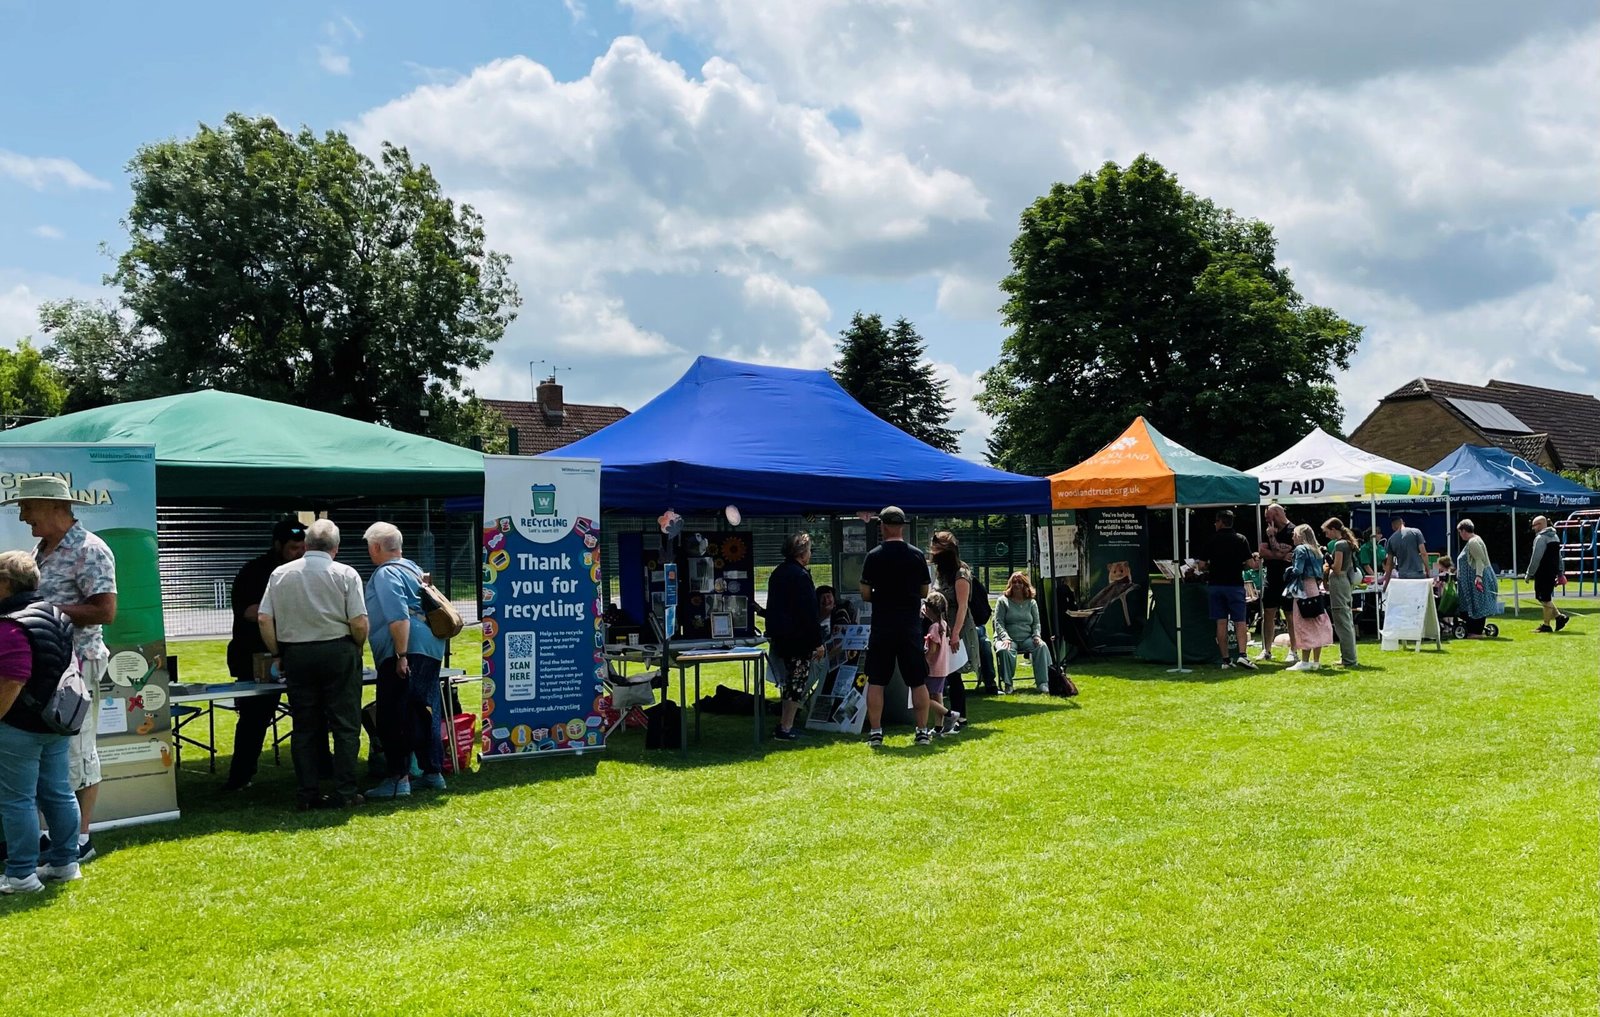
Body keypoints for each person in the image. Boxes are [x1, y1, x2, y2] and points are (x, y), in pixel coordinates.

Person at [3, 475, 115, 862]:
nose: (21, 515)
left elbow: (105, 610)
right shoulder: (41, 550)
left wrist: (42, 615)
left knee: (78, 751)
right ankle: (60, 838)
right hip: (45, 665)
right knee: (52, 755)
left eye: (27, 507)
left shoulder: (90, 549)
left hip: (77, 665)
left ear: (56, 508)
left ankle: (81, 839)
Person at [258, 519, 369, 809]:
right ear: (336, 548)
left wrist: (277, 652)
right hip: (338, 648)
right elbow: (358, 620)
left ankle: (307, 793)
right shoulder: (345, 573)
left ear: (306, 545)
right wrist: (357, 645)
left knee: (305, 726)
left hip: (297, 653)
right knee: (345, 724)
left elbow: (263, 618)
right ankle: (345, 791)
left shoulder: (280, 574)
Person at [0, 551, 82, 892]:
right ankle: (65, 863)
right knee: (59, 794)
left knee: (17, 800)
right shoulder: (58, 615)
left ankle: (21, 874)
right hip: (56, 721)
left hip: (19, 726)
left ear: (5, 583)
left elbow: (12, 681)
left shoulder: (9, 624)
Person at [221, 517, 307, 792]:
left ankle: (321, 768)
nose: (300, 553)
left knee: (310, 715)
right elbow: (248, 611)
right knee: (254, 720)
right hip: (255, 656)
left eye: (303, 547)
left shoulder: (305, 570)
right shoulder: (254, 572)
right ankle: (241, 776)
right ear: (278, 545)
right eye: (294, 547)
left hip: (296, 652)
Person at [363, 522, 448, 797]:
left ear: (376, 547)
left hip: (404, 649)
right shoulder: (414, 569)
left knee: (394, 714)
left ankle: (398, 779)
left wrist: (400, 655)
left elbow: (398, 616)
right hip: (431, 646)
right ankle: (432, 773)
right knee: (424, 711)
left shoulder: (386, 574)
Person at [857, 507, 933, 747]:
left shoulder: (874, 556)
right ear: (903, 526)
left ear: (882, 526)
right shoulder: (916, 555)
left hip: (883, 626)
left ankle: (876, 732)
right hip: (910, 626)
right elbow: (924, 590)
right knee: (917, 680)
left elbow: (865, 593)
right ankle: (922, 730)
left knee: (877, 680)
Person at [764, 532, 825, 742]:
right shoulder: (800, 576)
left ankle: (784, 723)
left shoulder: (778, 573)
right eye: (809, 550)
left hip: (781, 637)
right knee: (797, 683)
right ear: (801, 552)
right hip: (798, 639)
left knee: (787, 682)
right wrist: (818, 642)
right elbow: (809, 612)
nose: (810, 554)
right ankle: (786, 727)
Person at [929, 531, 980, 721]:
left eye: (937, 550)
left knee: (954, 674)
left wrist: (955, 634)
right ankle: (947, 718)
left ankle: (960, 717)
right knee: (944, 674)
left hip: (957, 629)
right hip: (941, 628)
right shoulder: (941, 572)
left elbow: (963, 605)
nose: (933, 553)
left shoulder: (961, 572)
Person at [1196, 509, 1257, 671]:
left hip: (1216, 585)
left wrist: (1210, 567)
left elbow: (1201, 565)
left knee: (1221, 623)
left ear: (1221, 522)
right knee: (1240, 621)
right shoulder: (1241, 539)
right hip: (1235, 585)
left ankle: (1225, 660)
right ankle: (1243, 655)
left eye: (1216, 522)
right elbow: (1251, 564)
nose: (1215, 524)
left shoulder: (1212, 539)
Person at [993, 571, 1057, 690]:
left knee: (1042, 646)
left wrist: (1036, 636)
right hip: (1008, 638)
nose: (1017, 585)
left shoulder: (1031, 602)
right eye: (1014, 582)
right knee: (1004, 649)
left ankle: (1043, 683)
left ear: (1025, 585)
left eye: (1020, 582)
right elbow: (998, 622)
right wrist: (1005, 638)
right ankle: (1008, 684)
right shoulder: (1003, 601)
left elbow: (1036, 623)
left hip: (1027, 637)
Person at [1284, 524, 1334, 671]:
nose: (1292, 537)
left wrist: (1288, 571)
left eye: (1294, 534)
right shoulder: (1316, 550)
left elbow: (1298, 570)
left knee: (1302, 623)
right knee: (1317, 622)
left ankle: (1305, 661)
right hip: (1314, 587)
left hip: (1303, 588)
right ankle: (1316, 661)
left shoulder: (1300, 549)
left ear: (1300, 535)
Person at [920, 593, 963, 735]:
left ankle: (950, 714)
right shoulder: (943, 625)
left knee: (924, 698)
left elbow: (932, 650)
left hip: (933, 669)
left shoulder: (933, 627)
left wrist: (923, 660)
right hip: (942, 668)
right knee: (937, 696)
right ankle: (939, 727)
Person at [1258, 503, 1295, 662]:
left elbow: (1287, 552)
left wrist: (1273, 539)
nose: (1267, 520)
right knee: (1268, 613)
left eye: (1269, 517)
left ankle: (1293, 650)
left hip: (1288, 578)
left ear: (1278, 515)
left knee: (1290, 615)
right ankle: (1266, 650)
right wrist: (1279, 555)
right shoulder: (1266, 530)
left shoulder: (1293, 530)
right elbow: (1262, 551)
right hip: (1271, 577)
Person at [1321, 517, 1361, 668]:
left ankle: (1349, 659)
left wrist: (1327, 559)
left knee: (1342, 622)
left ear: (1333, 530)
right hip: (1345, 582)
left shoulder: (1339, 544)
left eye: (1327, 532)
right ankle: (1346, 657)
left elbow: (1337, 569)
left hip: (1339, 581)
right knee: (1346, 621)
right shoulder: (1347, 543)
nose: (1326, 535)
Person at [1454, 519, 1502, 639]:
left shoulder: (1473, 542)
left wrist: (1478, 577)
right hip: (1475, 578)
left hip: (1478, 578)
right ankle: (1474, 629)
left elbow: (1479, 560)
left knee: (1478, 604)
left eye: (1460, 532)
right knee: (1475, 604)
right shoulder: (1476, 539)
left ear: (1464, 531)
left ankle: (1476, 632)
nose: (1460, 535)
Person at [1528, 516, 1571, 633]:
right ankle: (1559, 617)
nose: (1533, 528)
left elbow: (1536, 558)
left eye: (1534, 525)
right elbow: (1559, 557)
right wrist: (1560, 572)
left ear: (1541, 524)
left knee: (1545, 598)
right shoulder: (1555, 537)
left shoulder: (1541, 538)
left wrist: (1529, 573)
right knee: (1543, 597)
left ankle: (1546, 625)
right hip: (1551, 572)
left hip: (1542, 572)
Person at [1384, 516, 1429, 582]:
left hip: (1403, 575)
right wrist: (1428, 569)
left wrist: (1386, 583)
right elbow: (1423, 553)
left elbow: (1389, 564)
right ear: (1403, 523)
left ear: (1393, 527)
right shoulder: (1416, 532)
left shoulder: (1391, 540)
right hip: (1418, 573)